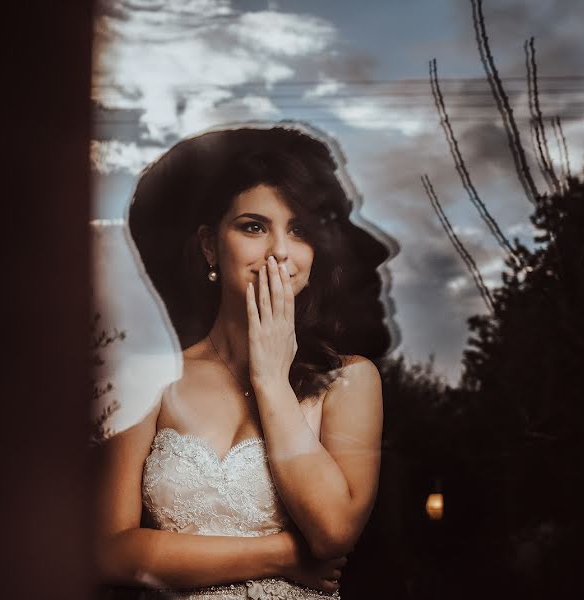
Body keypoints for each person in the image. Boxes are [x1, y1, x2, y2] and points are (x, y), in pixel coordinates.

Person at [95, 125, 390, 600]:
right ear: (211, 246)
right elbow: (110, 552)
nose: (278, 251)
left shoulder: (349, 380)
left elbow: (334, 532)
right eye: (254, 226)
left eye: (299, 231)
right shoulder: (147, 379)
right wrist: (284, 556)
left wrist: (272, 378)